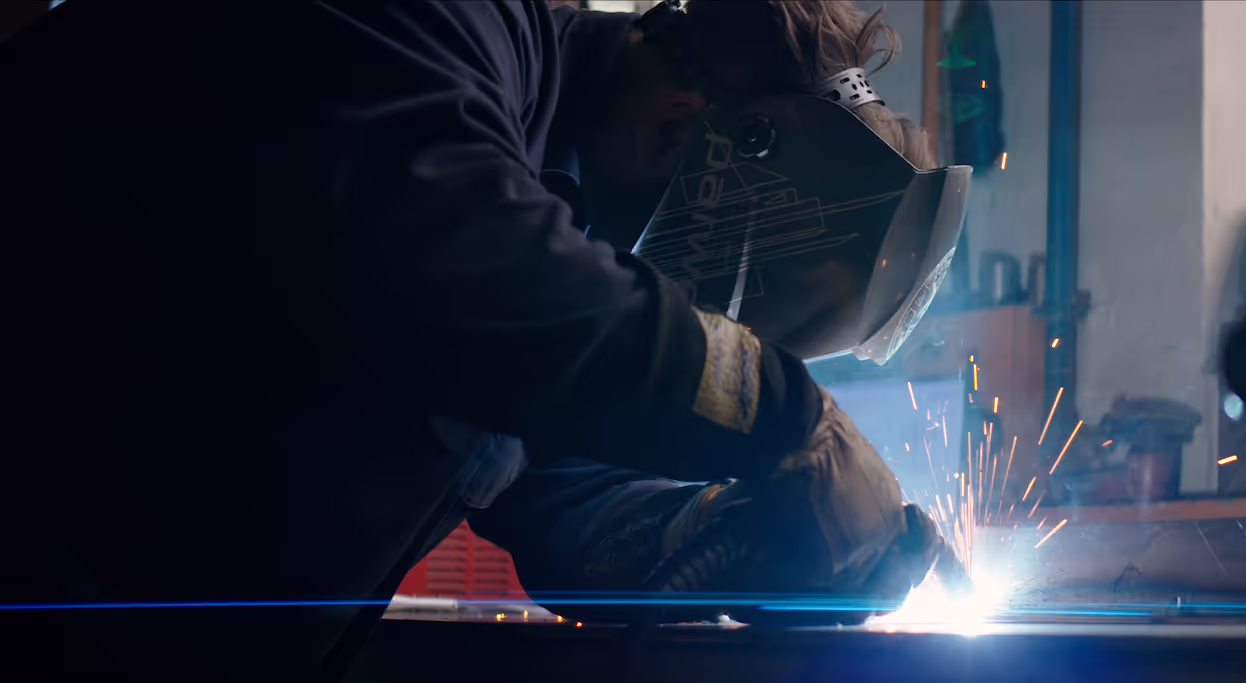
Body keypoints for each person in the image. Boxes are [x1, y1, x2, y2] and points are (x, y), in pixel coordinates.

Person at [0, 0, 960, 679]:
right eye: (716, 313)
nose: (700, 326)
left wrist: (725, 530)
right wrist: (785, 414)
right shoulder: (431, 29)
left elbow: (557, 485)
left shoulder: (547, 217)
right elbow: (477, 263)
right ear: (679, 136)